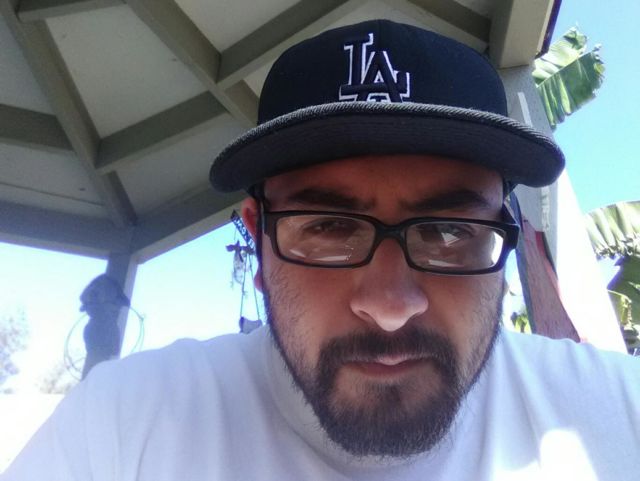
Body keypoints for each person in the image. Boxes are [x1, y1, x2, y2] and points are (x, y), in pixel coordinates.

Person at [4, 19, 639, 481]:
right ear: (258, 241)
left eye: (448, 232)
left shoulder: (619, 416)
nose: (389, 306)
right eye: (330, 227)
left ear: (506, 231)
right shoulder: (119, 427)